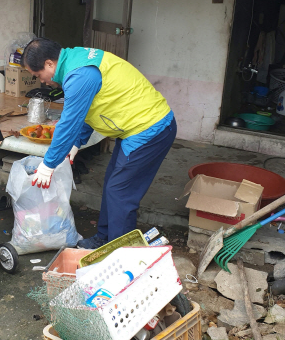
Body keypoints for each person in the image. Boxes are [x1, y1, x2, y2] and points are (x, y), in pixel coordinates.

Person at [21, 38, 177, 249]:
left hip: (150, 128)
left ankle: (119, 253)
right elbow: (90, 108)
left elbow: (69, 122)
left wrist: (48, 165)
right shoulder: (75, 62)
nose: (42, 81)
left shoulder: (79, 75)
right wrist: (76, 143)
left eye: (38, 75)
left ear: (49, 64)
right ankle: (105, 238)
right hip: (135, 128)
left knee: (120, 191)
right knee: (113, 184)